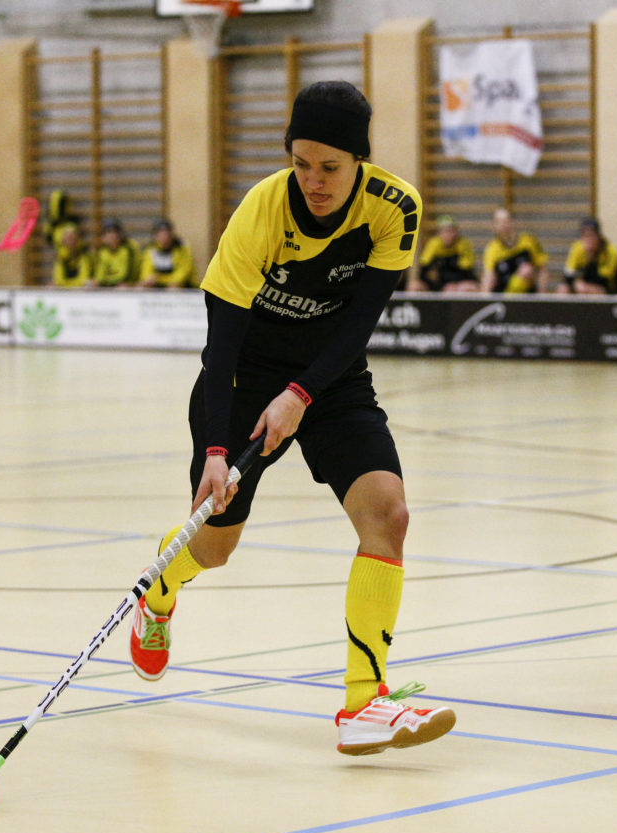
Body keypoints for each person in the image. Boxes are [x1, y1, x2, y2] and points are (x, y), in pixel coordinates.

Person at [128, 81, 456, 755]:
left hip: (331, 379)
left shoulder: (395, 208)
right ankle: (159, 589)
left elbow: (358, 324)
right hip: (246, 378)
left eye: (329, 167)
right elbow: (219, 348)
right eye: (301, 163)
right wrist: (217, 447)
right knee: (215, 545)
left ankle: (365, 701)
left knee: (387, 512)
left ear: (359, 161)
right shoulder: (261, 212)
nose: (313, 180)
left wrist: (303, 392)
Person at [481, 207, 549, 294]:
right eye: (498, 222)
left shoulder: (529, 241)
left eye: (506, 221)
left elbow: (543, 271)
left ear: (512, 222)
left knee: (526, 269)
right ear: (494, 225)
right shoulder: (492, 248)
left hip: (527, 295)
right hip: (503, 295)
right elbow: (488, 276)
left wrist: (541, 297)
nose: (503, 225)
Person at [408, 214, 479, 292]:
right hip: (438, 283)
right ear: (439, 232)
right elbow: (424, 269)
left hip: (458, 282)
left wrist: (453, 284)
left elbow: (466, 271)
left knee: (464, 288)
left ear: (456, 232)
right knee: (414, 286)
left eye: (451, 231)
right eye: (444, 231)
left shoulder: (463, 245)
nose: (448, 235)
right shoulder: (433, 244)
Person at [561, 215, 617, 295]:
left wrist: (590, 257)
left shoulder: (611, 252)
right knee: (562, 288)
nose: (588, 240)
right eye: (585, 236)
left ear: (598, 236)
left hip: (608, 290)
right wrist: (576, 282)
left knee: (587, 289)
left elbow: (604, 279)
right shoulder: (577, 248)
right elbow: (568, 274)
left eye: (591, 235)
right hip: (584, 285)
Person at [138, 217, 196, 288]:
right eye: (160, 234)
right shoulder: (150, 250)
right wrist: (151, 280)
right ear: (155, 236)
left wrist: (160, 279)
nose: (164, 237)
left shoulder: (182, 248)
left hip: (183, 287)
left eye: (166, 234)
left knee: (175, 287)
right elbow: (145, 274)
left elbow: (183, 274)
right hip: (158, 286)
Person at [86, 217, 139, 287]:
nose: (113, 235)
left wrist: (103, 282)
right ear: (103, 236)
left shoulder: (127, 250)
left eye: (115, 232)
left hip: (129, 286)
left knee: (122, 287)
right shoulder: (102, 252)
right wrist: (97, 282)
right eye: (108, 232)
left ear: (121, 234)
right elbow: (99, 275)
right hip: (111, 285)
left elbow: (125, 276)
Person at [50, 217, 92, 287]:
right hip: (68, 290)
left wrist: (66, 285)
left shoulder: (83, 254)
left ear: (78, 239)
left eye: (73, 238)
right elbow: (58, 280)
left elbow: (84, 278)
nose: (71, 241)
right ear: (63, 241)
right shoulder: (61, 256)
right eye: (68, 238)